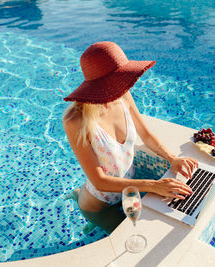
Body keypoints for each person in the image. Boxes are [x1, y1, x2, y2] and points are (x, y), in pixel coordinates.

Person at [63, 41, 198, 234]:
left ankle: (78, 195)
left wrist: (172, 158)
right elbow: (100, 181)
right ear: (101, 83)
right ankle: (83, 204)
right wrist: (154, 186)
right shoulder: (75, 121)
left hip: (125, 191)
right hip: (98, 205)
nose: (125, 83)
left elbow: (146, 134)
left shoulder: (122, 94)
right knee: (132, 236)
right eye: (119, 77)